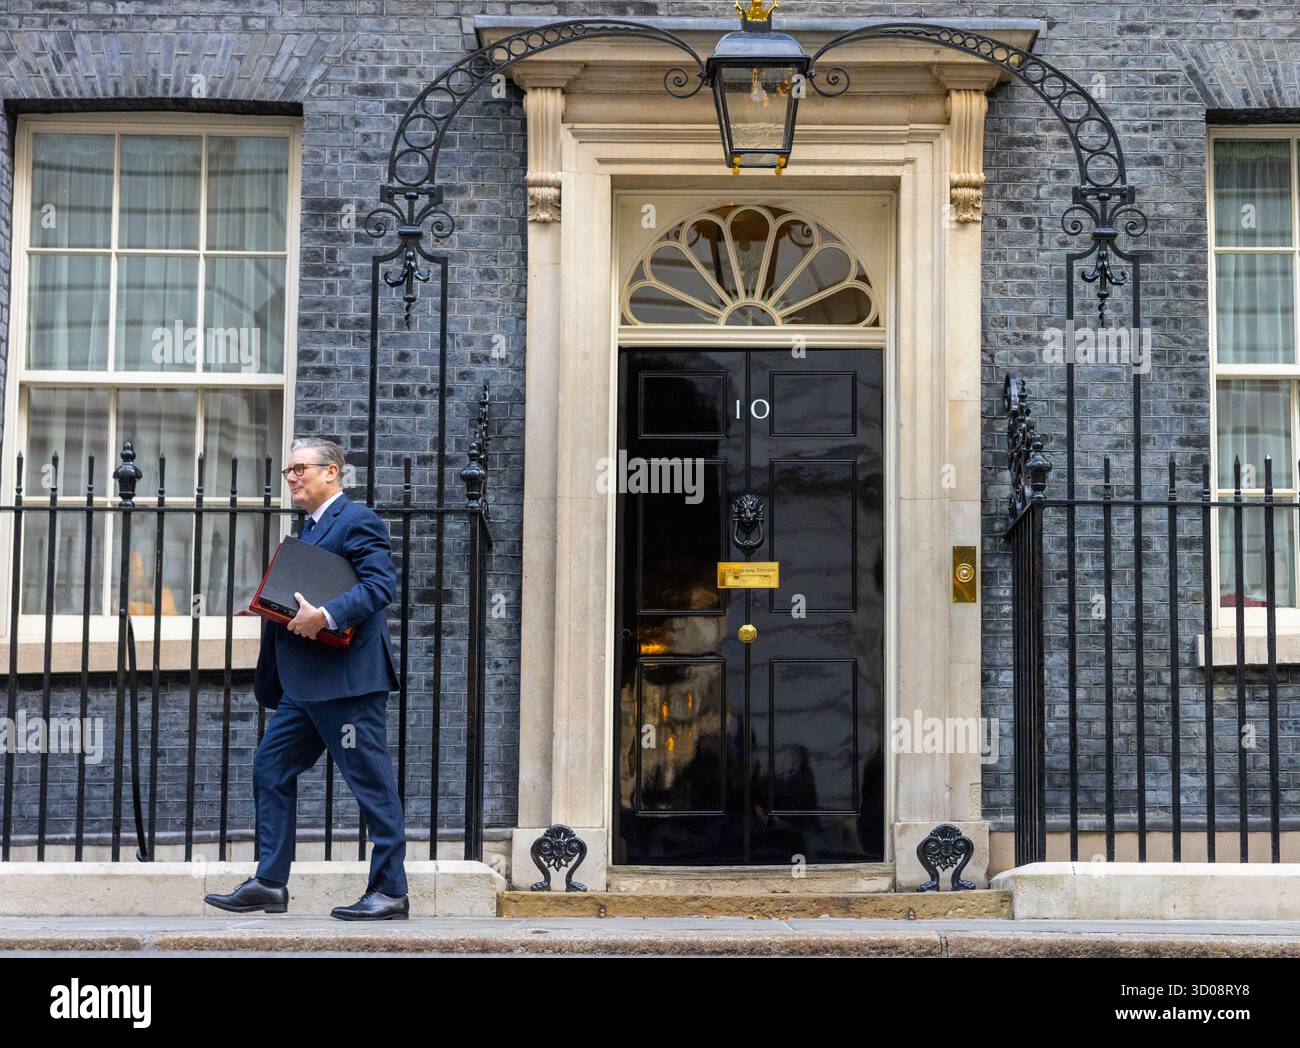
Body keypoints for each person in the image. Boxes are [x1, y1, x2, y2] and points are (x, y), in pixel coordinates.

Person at [203, 437, 408, 920]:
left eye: (300, 469)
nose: (292, 477)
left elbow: (381, 586)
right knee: (270, 769)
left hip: (347, 685)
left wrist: (327, 616)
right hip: (302, 687)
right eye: (289, 471)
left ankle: (391, 891)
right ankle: (271, 883)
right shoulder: (308, 530)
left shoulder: (357, 521)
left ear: (331, 472)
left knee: (371, 785)